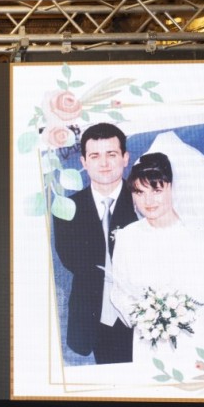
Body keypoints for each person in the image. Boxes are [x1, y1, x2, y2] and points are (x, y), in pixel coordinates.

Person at [110, 152, 204, 379]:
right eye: (139, 192)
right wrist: (142, 315)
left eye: (157, 190)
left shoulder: (203, 233)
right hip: (153, 345)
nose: (148, 201)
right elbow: (119, 290)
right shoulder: (126, 238)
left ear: (173, 188)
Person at [53, 123, 138, 365]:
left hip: (141, 312)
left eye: (111, 154)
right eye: (95, 156)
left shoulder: (143, 201)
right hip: (95, 314)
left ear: (125, 158)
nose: (104, 163)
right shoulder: (66, 208)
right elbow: (72, 260)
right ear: (83, 162)